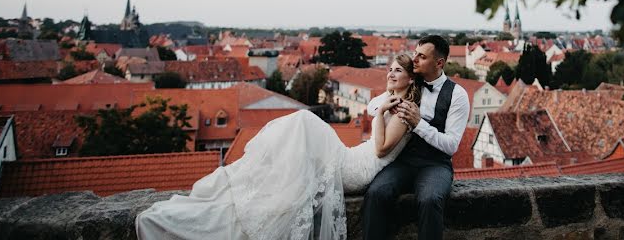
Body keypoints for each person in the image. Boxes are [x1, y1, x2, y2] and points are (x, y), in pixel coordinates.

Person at [135, 54, 420, 240]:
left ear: (411, 77)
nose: (391, 74)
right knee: (301, 125)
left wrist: (382, 111)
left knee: (304, 123)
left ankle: (257, 181)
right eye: (390, 69)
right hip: (354, 157)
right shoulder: (393, 101)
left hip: (358, 169)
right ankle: (258, 180)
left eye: (398, 71)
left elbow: (381, 149)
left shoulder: (405, 110)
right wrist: (383, 106)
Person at [362, 35, 470, 240]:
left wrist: (418, 124)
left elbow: (451, 145)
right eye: (415, 54)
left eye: (421, 56)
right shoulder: (411, 83)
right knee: (376, 193)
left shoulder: (458, 95)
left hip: (435, 164)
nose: (415, 60)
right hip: (403, 161)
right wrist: (389, 107)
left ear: (439, 63)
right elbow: (372, 105)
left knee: (430, 200)